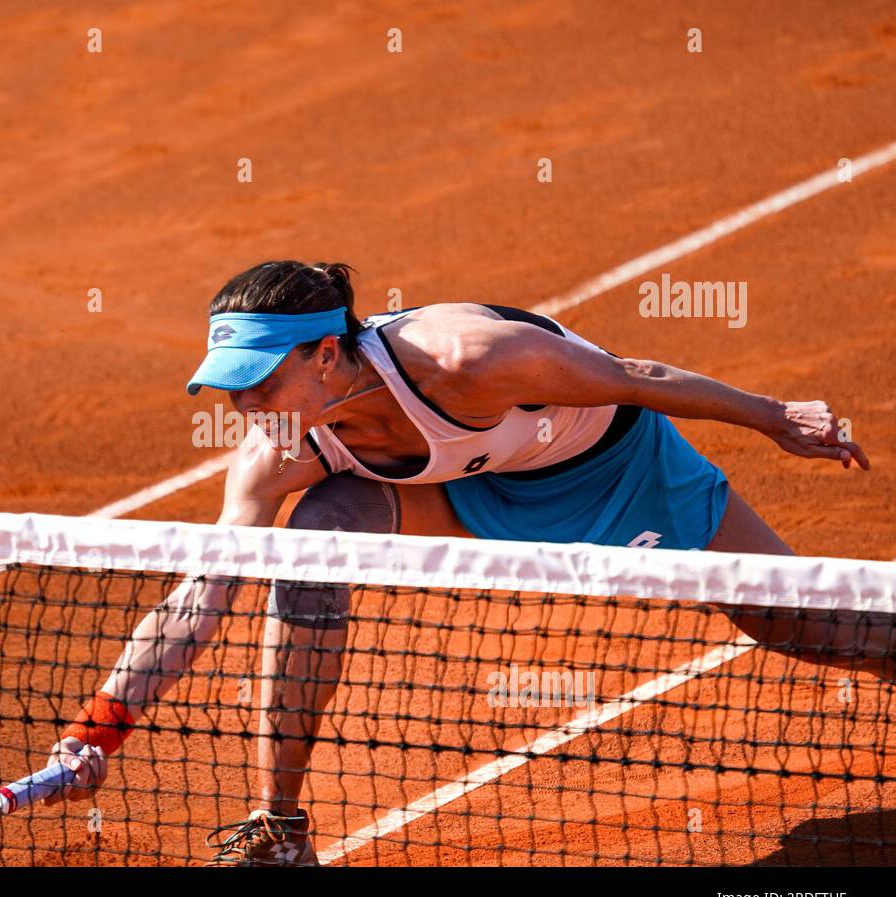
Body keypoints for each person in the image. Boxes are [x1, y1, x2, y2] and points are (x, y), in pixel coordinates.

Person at [44, 260, 879, 866]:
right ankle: (278, 826)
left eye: (258, 381)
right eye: (229, 387)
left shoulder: (470, 359)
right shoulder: (279, 451)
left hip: (615, 475)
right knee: (318, 534)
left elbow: (636, 378)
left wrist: (777, 418)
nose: (243, 407)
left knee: (807, 624)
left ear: (325, 356)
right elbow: (203, 595)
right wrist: (98, 733)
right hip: (468, 496)